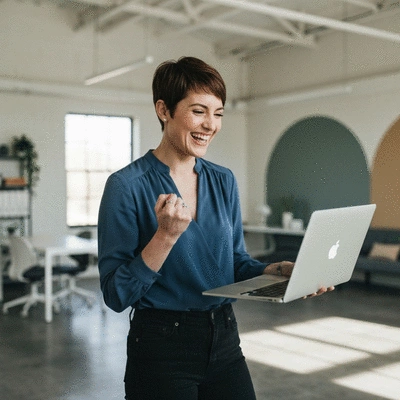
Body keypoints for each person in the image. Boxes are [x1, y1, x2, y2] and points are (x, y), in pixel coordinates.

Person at [97, 56, 333, 400]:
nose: (210, 124)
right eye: (198, 111)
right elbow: (116, 294)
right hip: (161, 347)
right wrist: (165, 236)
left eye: (218, 113)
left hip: (224, 337)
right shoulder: (126, 185)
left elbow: (234, 261)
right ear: (164, 110)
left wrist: (278, 270)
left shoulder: (223, 180)